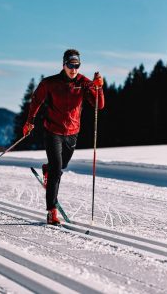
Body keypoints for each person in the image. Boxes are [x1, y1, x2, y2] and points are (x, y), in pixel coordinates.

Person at [23, 49, 104, 225]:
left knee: (61, 166)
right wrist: (29, 122)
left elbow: (99, 105)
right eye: (70, 65)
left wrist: (98, 87)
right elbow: (36, 100)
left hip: (73, 133)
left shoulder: (84, 83)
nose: (73, 69)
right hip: (53, 131)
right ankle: (51, 211)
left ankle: (48, 169)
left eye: (77, 66)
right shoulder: (50, 83)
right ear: (64, 64)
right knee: (57, 170)